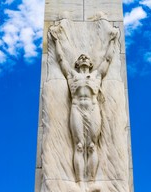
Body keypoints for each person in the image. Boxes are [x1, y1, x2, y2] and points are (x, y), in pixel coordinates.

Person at [50, 25, 118, 182]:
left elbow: (108, 59)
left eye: (86, 57)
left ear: (91, 63)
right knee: (79, 145)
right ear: (77, 63)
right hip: (76, 109)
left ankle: (92, 182)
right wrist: (56, 41)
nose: (83, 57)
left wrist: (112, 40)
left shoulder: (96, 75)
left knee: (92, 146)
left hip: (93, 108)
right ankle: (80, 183)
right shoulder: (72, 75)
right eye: (81, 57)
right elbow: (60, 59)